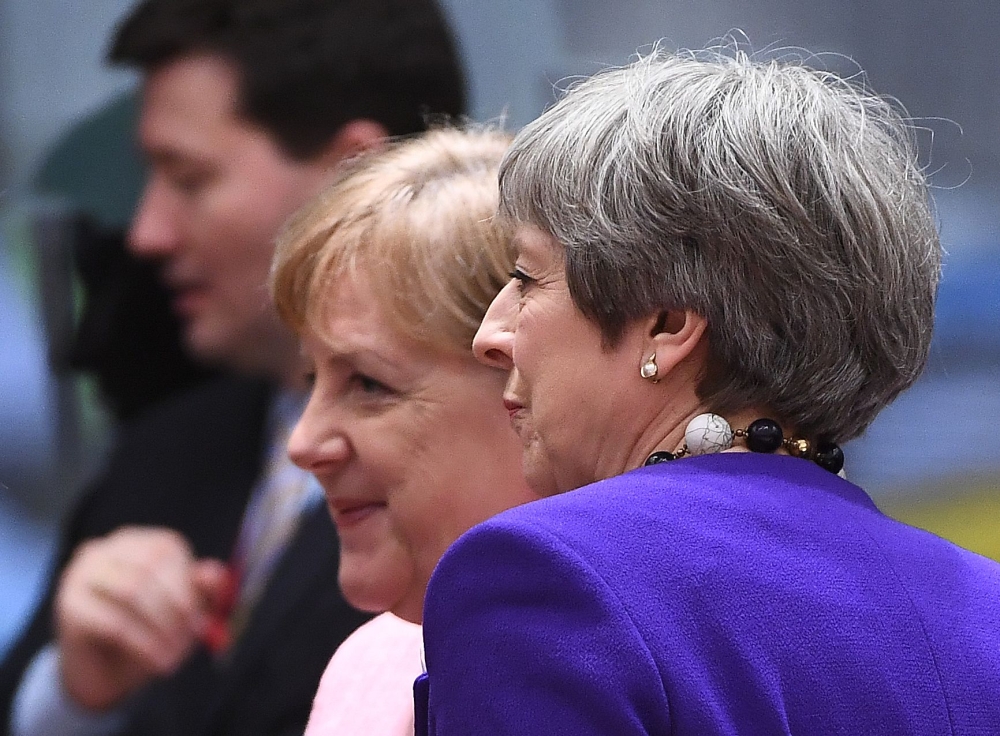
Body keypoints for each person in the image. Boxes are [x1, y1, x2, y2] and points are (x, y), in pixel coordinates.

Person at [418, 48, 1000, 734]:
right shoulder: (986, 611)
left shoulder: (546, 576)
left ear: (666, 326)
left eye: (526, 278)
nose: (491, 334)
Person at [0, 0, 466, 734]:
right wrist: (76, 693)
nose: (148, 233)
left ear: (354, 170)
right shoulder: (165, 453)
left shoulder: (512, 488)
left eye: (188, 179)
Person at [270, 127, 537, 736]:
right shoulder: (370, 666)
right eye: (311, 378)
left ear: (531, 384)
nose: (303, 444)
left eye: (368, 384)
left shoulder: (653, 671)